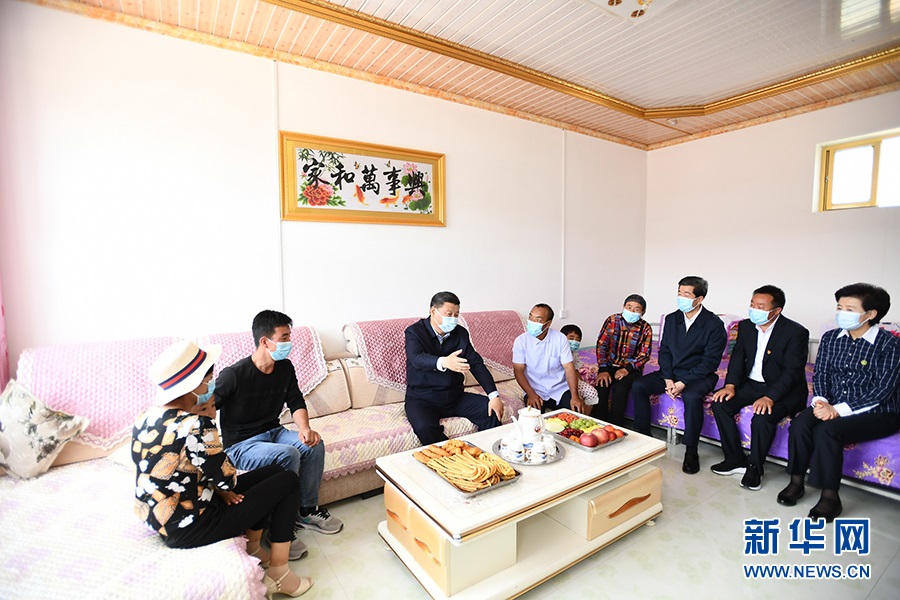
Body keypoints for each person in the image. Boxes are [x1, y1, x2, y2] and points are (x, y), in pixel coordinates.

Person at [133, 339, 313, 597]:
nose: (212, 385)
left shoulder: (145, 417)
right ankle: (281, 573)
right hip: (193, 525)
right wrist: (208, 422)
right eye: (208, 380)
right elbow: (228, 479)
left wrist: (221, 488)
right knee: (289, 482)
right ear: (194, 386)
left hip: (164, 518)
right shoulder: (196, 424)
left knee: (275, 471)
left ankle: (254, 548)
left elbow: (191, 470)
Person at [213, 310, 343, 557]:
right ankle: (279, 528)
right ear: (265, 341)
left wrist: (305, 429)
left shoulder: (284, 367)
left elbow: (295, 401)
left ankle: (306, 511)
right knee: (288, 454)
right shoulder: (234, 375)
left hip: (274, 432)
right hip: (241, 444)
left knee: (313, 444)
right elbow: (207, 409)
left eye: (289, 337)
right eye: (284, 338)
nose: (289, 343)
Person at [778, 283, 900, 522]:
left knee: (828, 431)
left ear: (871, 314)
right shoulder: (831, 338)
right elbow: (821, 374)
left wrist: (837, 410)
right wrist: (821, 402)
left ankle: (830, 497)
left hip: (879, 411)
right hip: (831, 403)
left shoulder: (890, 345)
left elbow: (882, 391)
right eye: (839, 307)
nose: (841, 313)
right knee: (801, 424)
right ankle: (796, 482)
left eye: (849, 309)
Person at [710, 285, 810, 491]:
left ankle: (755, 467)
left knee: (762, 416)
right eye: (752, 304)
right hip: (752, 384)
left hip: (785, 390)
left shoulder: (795, 332)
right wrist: (730, 385)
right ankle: (735, 458)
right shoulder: (746, 327)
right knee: (720, 404)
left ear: (776, 310)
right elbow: (738, 358)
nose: (754, 309)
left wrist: (770, 397)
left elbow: (792, 372)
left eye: (761, 306)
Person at [631, 276, 727, 474]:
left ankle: (691, 450)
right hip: (671, 372)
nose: (681, 297)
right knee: (639, 385)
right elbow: (664, 351)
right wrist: (668, 378)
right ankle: (644, 435)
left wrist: (683, 382)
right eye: (679, 293)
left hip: (699, 375)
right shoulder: (672, 319)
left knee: (691, 397)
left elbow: (710, 361)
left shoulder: (714, 324)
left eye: (686, 294)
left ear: (699, 299)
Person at [405, 291, 504, 445]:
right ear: (433, 311)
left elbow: (476, 363)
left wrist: (494, 396)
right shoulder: (414, 332)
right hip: (422, 398)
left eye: (456, 315)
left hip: (454, 396)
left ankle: (487, 454)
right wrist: (444, 362)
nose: (453, 319)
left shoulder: (460, 333)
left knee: (490, 411)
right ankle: (455, 456)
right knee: (424, 427)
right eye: (449, 314)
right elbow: (416, 358)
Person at [513, 304, 585, 414]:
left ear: (548, 323)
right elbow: (518, 371)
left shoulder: (560, 339)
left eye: (538, 320)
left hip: (559, 389)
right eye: (531, 317)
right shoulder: (521, 341)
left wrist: (575, 396)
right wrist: (531, 394)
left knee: (575, 412)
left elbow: (569, 368)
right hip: (535, 389)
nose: (532, 322)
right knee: (533, 417)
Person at [593, 295, 653, 426]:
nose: (632, 311)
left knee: (620, 388)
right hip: (610, 364)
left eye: (637, 309)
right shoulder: (612, 320)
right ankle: (599, 423)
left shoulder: (645, 328)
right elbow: (601, 345)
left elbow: (644, 355)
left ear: (642, 312)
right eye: (629, 307)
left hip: (632, 368)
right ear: (623, 307)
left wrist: (627, 369)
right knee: (602, 385)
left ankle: (615, 425)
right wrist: (603, 369)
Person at [561, 324, 601, 415]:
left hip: (572, 379)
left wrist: (581, 381)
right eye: (571, 338)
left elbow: (575, 370)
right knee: (589, 393)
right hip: (561, 380)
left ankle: (585, 416)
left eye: (577, 339)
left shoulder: (574, 353)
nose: (574, 341)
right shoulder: (558, 351)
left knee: (591, 393)